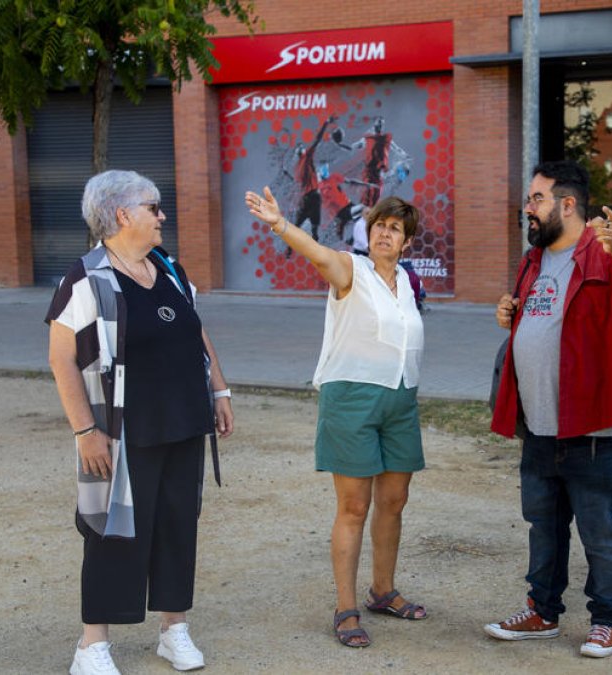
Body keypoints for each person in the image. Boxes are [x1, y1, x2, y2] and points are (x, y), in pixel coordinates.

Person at [47, 170, 234, 675]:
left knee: (178, 525)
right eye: (153, 208)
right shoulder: (85, 278)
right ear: (122, 214)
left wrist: (218, 388)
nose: (162, 216)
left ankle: (174, 630)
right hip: (123, 429)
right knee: (113, 532)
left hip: (184, 419)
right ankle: (92, 645)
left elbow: (196, 330)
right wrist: (85, 431)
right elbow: (61, 358)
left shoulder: (169, 267)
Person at [245, 187, 427, 649]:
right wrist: (280, 224)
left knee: (394, 500)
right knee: (354, 507)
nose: (385, 234)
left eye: (395, 229)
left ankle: (383, 591)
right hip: (352, 399)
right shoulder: (351, 269)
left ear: (407, 241)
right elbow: (317, 253)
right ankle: (346, 608)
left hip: (400, 399)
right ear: (369, 232)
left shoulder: (407, 282)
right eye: (380, 226)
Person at [486, 160, 612, 658]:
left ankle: (607, 619)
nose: (528, 208)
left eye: (536, 199)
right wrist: (509, 313)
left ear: (567, 204)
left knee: (600, 531)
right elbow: (537, 318)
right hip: (539, 424)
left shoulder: (609, 251)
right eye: (529, 199)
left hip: (595, 426)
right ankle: (542, 611)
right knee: (543, 525)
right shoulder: (533, 260)